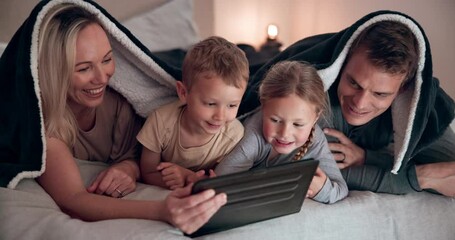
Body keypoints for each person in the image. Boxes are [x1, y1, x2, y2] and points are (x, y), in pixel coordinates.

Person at [2, 3, 226, 234]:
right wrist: (163, 210)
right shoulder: (45, 125)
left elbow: (137, 156)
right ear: (55, 71)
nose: (102, 78)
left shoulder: (120, 105)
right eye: (84, 68)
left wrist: (128, 168)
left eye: (107, 59)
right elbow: (74, 200)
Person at [239, 10, 455, 197]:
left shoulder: (422, 106)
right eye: (353, 82)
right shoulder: (313, 97)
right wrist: (420, 178)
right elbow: (322, 171)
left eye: (379, 94)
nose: (360, 103)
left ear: (402, 91)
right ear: (343, 64)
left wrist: (367, 157)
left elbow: (450, 170)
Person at [216, 61, 348, 204]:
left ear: (316, 117)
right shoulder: (253, 134)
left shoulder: (316, 139)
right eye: (275, 120)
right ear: (263, 107)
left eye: (298, 124)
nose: (285, 133)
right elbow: (221, 182)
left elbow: (341, 189)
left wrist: (321, 189)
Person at [138, 36, 249, 190]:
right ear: (183, 93)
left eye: (232, 105)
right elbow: (147, 171)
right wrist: (177, 182)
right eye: (211, 104)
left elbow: (223, 180)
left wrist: (191, 178)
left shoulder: (234, 135)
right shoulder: (160, 122)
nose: (220, 116)